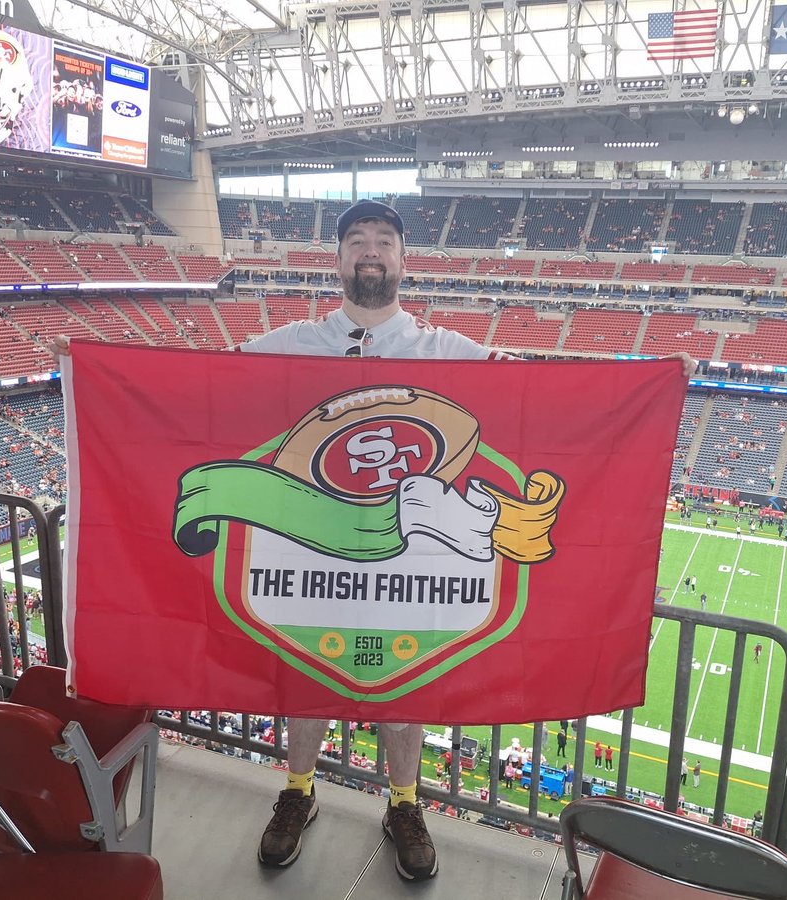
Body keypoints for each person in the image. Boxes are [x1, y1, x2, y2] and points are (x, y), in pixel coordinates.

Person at [51, 199, 694, 883]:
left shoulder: (447, 351)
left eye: (384, 240)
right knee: (305, 674)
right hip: (313, 553)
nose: (370, 250)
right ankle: (298, 790)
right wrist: (92, 366)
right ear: (337, 258)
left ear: (401, 259)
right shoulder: (293, 343)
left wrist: (651, 378)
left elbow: (546, 387)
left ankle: (405, 803)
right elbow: (197, 384)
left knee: (404, 687)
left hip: (411, 557)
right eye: (357, 239)